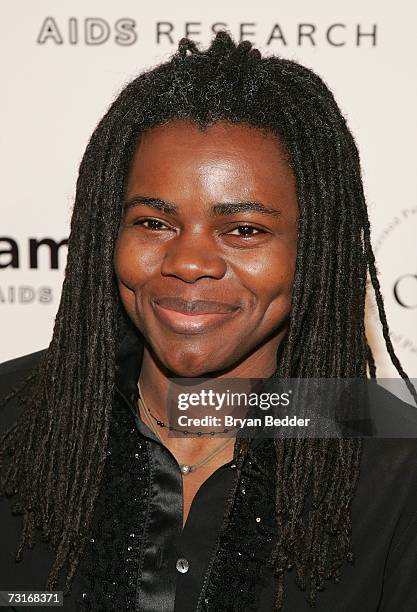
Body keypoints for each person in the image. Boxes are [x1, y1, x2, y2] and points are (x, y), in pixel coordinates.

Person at [1, 31, 417, 612]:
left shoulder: (398, 472)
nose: (188, 262)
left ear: (317, 251)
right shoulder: (10, 420)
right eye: (153, 222)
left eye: (244, 229)